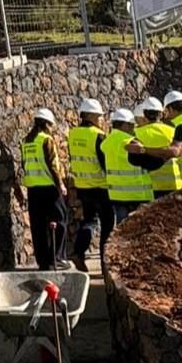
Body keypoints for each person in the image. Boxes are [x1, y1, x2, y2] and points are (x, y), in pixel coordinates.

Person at [19, 108, 70, 270]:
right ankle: (57, 257)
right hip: (49, 187)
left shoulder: (26, 141)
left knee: (38, 226)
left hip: (33, 189)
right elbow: (53, 165)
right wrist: (60, 184)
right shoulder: (46, 140)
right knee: (60, 219)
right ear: (47, 124)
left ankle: (43, 261)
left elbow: (24, 164)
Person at [66, 98, 110, 273]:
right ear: (91, 116)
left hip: (82, 186)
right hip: (101, 186)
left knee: (89, 221)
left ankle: (78, 252)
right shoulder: (98, 135)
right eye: (99, 116)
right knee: (107, 224)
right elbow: (104, 162)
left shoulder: (73, 134)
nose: (101, 119)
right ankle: (106, 263)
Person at [102, 109, 153, 223]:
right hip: (136, 195)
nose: (133, 128)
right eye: (131, 125)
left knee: (122, 229)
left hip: (116, 195)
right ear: (124, 125)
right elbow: (147, 162)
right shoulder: (129, 141)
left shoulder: (108, 141)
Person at [132, 97, 182, 197]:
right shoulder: (173, 131)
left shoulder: (137, 133)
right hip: (176, 183)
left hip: (151, 186)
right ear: (161, 114)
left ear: (144, 114)